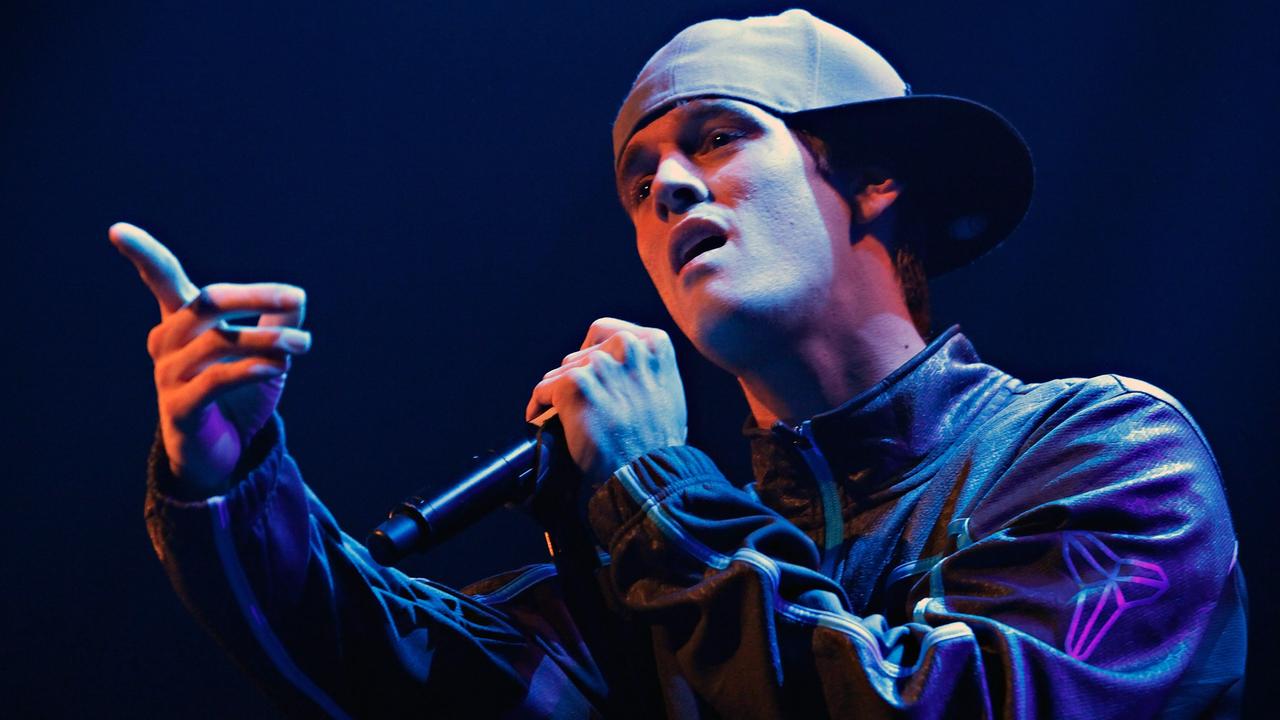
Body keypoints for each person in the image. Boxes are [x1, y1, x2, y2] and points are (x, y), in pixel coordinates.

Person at [113, 9, 1246, 718]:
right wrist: (227, 469)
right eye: (637, 175)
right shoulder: (644, 560)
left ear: (873, 179)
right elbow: (383, 666)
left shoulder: (1102, 454)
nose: (663, 187)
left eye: (715, 136)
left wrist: (652, 496)